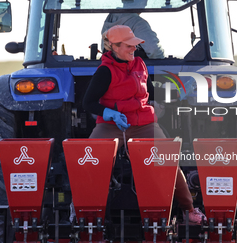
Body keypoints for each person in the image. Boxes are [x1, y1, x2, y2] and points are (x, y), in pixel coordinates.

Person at [82, 25, 205, 223]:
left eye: (134, 45)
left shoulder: (140, 64)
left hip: (143, 123)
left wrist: (175, 93)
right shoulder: (104, 72)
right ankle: (80, 209)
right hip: (112, 124)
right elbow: (88, 103)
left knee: (169, 161)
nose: (133, 49)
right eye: (128, 46)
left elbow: (148, 93)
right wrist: (110, 113)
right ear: (113, 46)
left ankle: (189, 210)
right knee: (90, 163)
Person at [100, 0, 164, 59]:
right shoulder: (138, 23)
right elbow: (154, 51)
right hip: (133, 68)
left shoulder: (109, 20)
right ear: (145, 1)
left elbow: (104, 48)